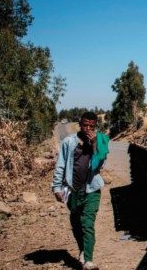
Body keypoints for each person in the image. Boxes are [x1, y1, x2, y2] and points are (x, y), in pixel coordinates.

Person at [52, 111, 110, 270]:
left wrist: (94, 146)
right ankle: (83, 250)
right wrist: (57, 187)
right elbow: (61, 165)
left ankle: (89, 261)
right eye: (85, 125)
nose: (88, 128)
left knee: (87, 223)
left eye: (91, 126)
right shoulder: (68, 142)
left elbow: (99, 166)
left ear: (95, 126)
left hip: (92, 189)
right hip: (73, 190)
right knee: (76, 223)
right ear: (80, 124)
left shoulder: (101, 141)